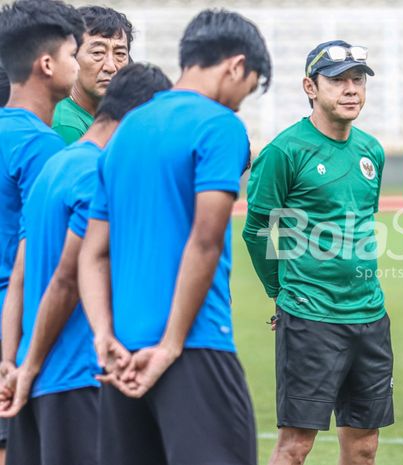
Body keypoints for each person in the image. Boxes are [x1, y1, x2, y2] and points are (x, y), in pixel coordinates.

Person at [78, 9, 270, 465]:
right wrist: (171, 344)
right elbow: (205, 240)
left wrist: (104, 336)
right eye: (248, 90)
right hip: (194, 346)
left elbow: (93, 254)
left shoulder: (124, 133)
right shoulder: (219, 125)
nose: (240, 105)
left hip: (122, 357)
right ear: (236, 66)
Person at [0, 63, 171, 465]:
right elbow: (68, 280)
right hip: (81, 375)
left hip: (33, 378)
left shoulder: (52, 169)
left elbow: (20, 279)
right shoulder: (97, 174)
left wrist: (12, 365)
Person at [243, 40, 393, 465]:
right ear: (310, 86)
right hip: (310, 318)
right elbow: (257, 231)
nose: (351, 89)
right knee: (296, 445)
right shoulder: (284, 152)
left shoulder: (371, 151)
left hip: (369, 315)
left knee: (364, 446)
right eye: (338, 80)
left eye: (358, 79)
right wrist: (281, 292)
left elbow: (359, 226)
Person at [0, 1, 84, 463]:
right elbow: (44, 256)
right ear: (47, 63)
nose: (78, 65)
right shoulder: (42, 145)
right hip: (14, 328)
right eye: (74, 54)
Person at [53, 6, 132, 144]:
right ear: (72, 56)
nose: (111, 66)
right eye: (97, 53)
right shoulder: (66, 126)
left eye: (120, 54)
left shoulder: (116, 117)